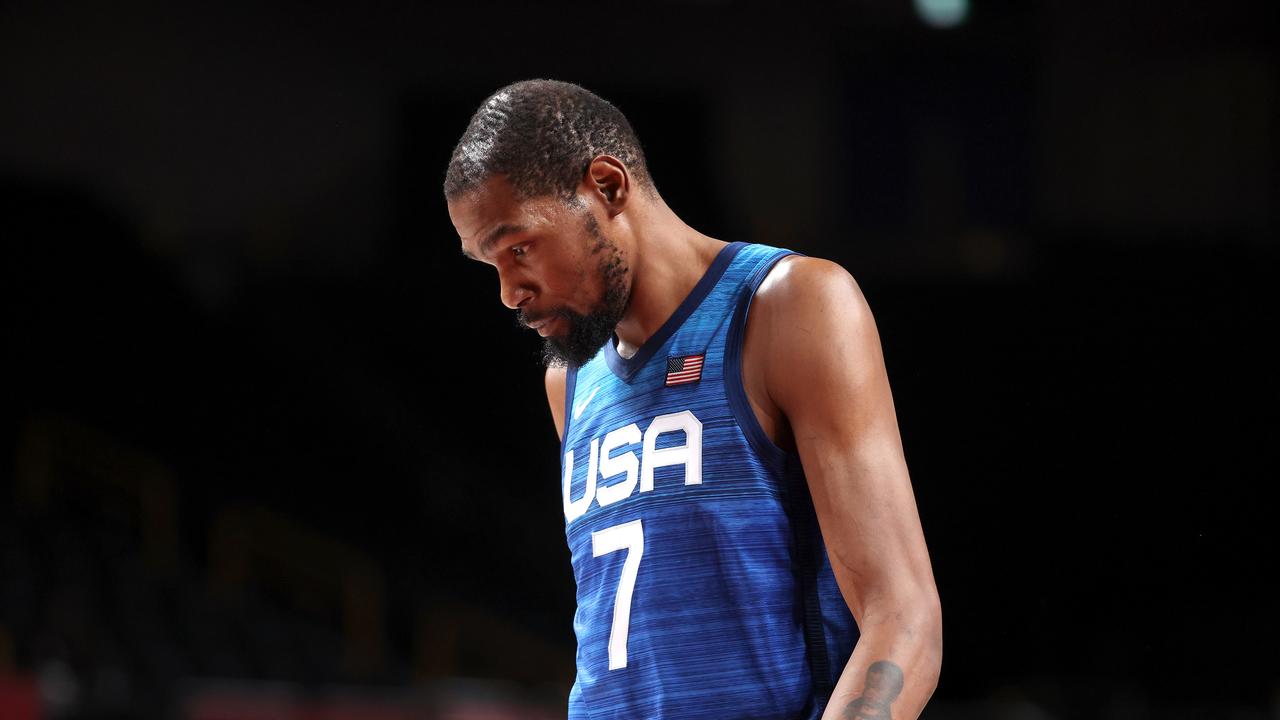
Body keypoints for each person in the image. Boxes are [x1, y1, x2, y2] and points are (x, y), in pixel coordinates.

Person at [445, 79, 941, 720]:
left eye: (520, 247)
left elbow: (902, 613)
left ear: (608, 186)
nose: (510, 291)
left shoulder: (788, 305)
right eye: (492, 264)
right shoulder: (568, 381)